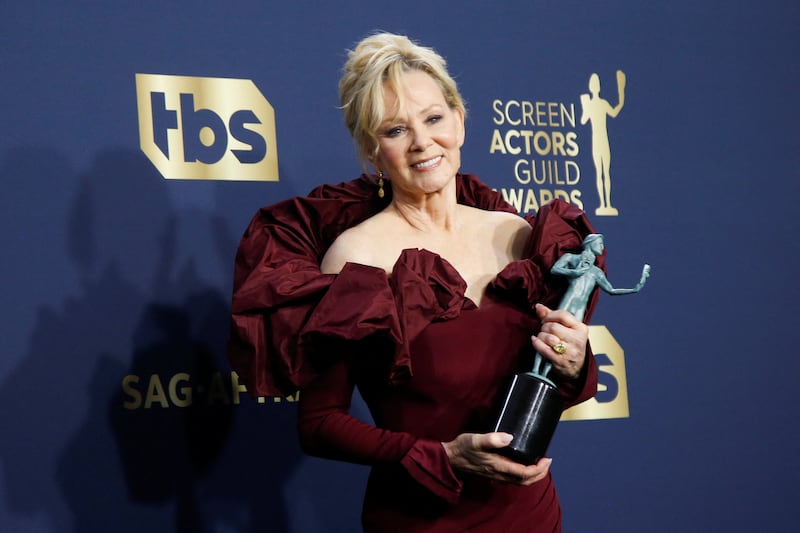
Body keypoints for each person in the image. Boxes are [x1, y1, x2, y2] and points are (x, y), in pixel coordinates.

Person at [229, 32, 603, 532]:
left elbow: (562, 388)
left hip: (532, 517)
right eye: (395, 130)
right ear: (372, 151)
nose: (423, 142)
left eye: (433, 119)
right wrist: (439, 456)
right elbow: (318, 425)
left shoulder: (520, 235)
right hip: (421, 519)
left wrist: (576, 362)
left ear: (460, 120)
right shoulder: (355, 256)